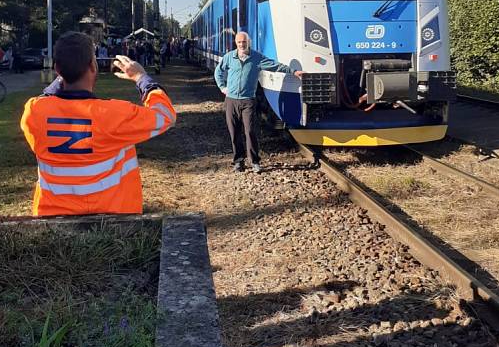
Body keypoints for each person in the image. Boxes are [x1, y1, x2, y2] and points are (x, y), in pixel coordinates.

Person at [20, 31, 176, 217]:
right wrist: (142, 79)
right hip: (115, 222)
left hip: (52, 224)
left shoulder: (34, 112)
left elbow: (45, 97)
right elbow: (165, 116)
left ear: (57, 69)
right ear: (93, 66)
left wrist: (64, 73)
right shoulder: (115, 114)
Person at [214, 32, 303, 173]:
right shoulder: (229, 57)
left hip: (248, 100)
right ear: (236, 43)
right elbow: (218, 72)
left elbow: (274, 65)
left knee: (250, 131)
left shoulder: (256, 58)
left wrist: (293, 71)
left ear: (248, 42)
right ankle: (238, 161)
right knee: (234, 132)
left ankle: (255, 161)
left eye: (244, 42)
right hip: (231, 100)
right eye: (239, 42)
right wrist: (222, 87)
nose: (242, 45)